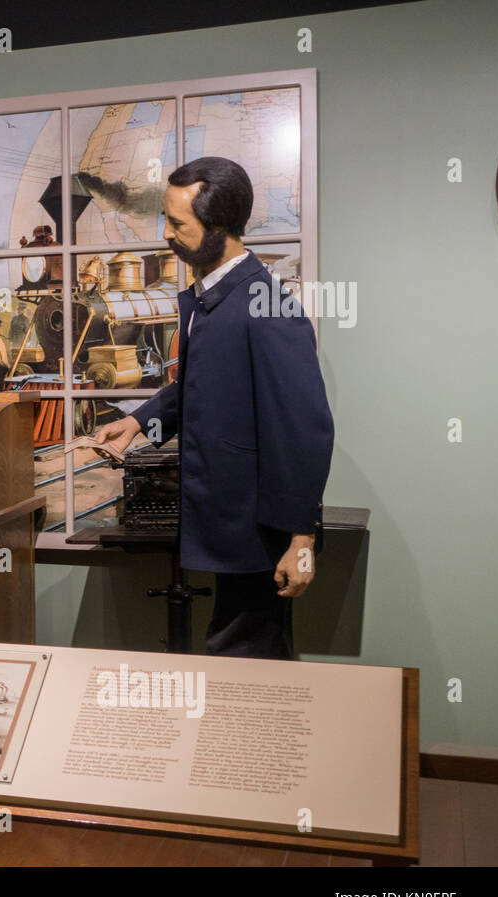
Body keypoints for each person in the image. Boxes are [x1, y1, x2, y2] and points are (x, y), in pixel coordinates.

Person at [93, 156, 334, 659]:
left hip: (257, 532)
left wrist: (301, 540)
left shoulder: (268, 307)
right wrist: (139, 421)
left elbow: (303, 431)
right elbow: (201, 388)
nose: (166, 234)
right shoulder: (213, 300)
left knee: (247, 663)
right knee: (233, 656)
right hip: (229, 526)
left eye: (178, 224)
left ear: (218, 227)